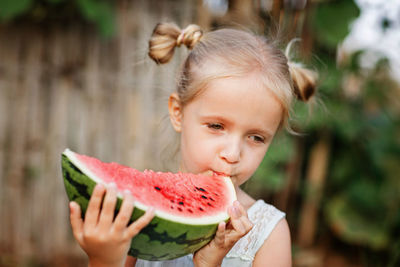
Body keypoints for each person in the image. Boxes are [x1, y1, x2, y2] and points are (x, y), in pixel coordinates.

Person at [69, 22, 317, 267]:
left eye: (256, 137)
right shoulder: (140, 211)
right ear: (178, 113)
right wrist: (103, 260)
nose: (232, 154)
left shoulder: (269, 235)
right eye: (216, 126)